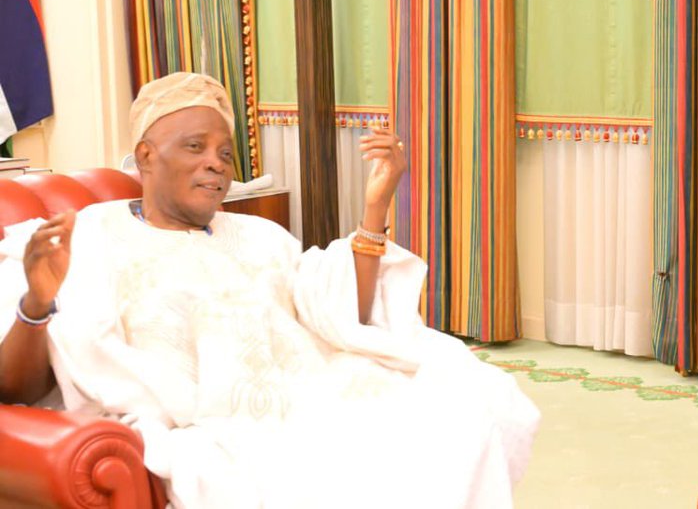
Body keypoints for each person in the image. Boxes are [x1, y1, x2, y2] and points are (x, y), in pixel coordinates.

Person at [0, 72, 539, 508]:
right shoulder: (85, 237)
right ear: (145, 156)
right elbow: (15, 389)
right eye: (195, 147)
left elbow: (338, 313)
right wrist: (37, 304)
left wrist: (375, 208)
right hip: (222, 427)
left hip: (315, 393)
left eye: (226, 153)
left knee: (469, 414)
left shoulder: (259, 234)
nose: (217, 162)